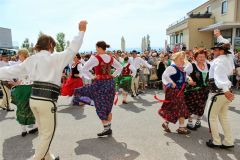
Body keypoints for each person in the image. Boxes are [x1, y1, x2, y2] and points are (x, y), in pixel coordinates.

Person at [0, 20, 87, 160]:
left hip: (34, 100)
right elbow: (73, 49)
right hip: (47, 101)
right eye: (54, 46)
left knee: (43, 131)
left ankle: (48, 157)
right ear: (50, 45)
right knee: (48, 133)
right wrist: (81, 31)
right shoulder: (56, 58)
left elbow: (11, 71)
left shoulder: (31, 60)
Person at [73, 41, 123, 137]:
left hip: (100, 84)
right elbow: (120, 67)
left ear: (99, 48)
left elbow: (84, 69)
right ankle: (108, 128)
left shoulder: (95, 58)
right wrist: (113, 75)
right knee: (107, 105)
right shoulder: (111, 58)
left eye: (96, 48)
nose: (96, 49)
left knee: (99, 104)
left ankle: (106, 128)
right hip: (110, 84)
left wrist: (91, 77)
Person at [206, 42, 235, 149]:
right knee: (223, 117)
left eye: (216, 49)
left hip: (219, 93)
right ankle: (228, 140)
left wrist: (226, 90)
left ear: (221, 51)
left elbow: (220, 76)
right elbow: (230, 72)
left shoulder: (218, 61)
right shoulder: (228, 59)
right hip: (224, 92)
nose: (214, 51)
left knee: (211, 117)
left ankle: (216, 141)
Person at [159, 51, 190, 134]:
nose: (183, 60)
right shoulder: (172, 67)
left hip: (179, 91)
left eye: (184, 59)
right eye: (181, 59)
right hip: (174, 91)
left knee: (173, 108)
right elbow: (164, 76)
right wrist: (171, 83)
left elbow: (184, 76)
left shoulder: (181, 68)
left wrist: (189, 80)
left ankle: (166, 123)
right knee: (181, 108)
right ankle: (181, 128)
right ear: (175, 59)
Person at [10, 49, 37, 137]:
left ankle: (28, 128)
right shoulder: (28, 65)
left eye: (19, 55)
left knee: (26, 107)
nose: (18, 56)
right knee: (25, 107)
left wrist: (14, 83)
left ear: (23, 55)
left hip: (25, 88)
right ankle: (26, 129)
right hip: (26, 88)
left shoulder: (22, 65)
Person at [184, 49, 210, 130]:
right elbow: (184, 74)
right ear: (195, 58)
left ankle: (198, 121)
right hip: (193, 90)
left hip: (204, 90)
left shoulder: (209, 65)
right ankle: (190, 122)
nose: (201, 58)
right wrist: (189, 79)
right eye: (199, 57)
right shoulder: (192, 65)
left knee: (202, 105)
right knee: (191, 105)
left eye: (203, 57)